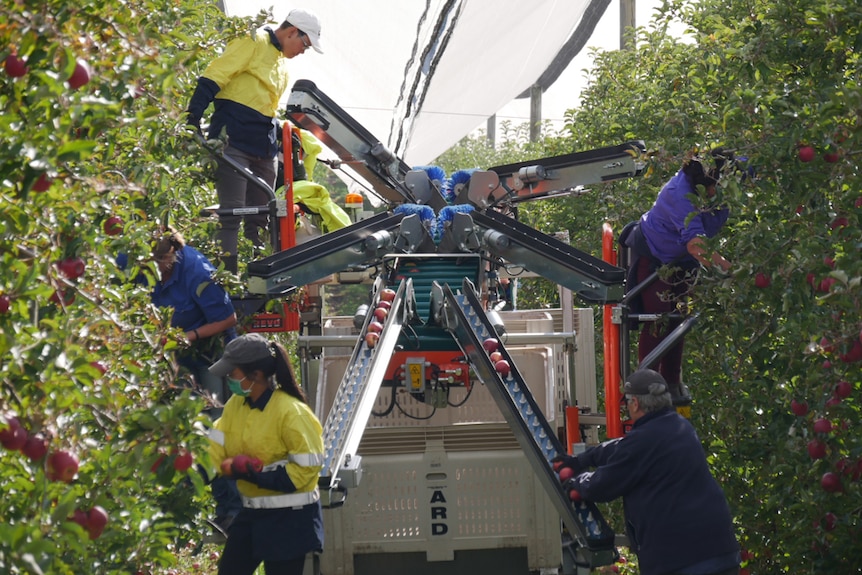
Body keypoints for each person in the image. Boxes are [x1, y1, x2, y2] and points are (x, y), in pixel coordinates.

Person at [554, 369, 740, 575]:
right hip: (720, 552)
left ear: (635, 404)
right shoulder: (681, 427)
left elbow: (601, 486)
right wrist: (583, 459)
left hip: (683, 562)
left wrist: (575, 480)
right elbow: (621, 447)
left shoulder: (642, 442)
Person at [185, 8, 324, 273]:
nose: (303, 51)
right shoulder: (252, 40)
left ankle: (260, 276)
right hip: (233, 140)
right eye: (305, 44)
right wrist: (192, 118)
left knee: (262, 215)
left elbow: (265, 104)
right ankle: (229, 280)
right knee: (232, 213)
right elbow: (214, 76)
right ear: (292, 31)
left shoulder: (281, 62)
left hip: (264, 145)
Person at [207, 333, 325, 575]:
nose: (229, 378)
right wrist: (196, 469)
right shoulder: (236, 407)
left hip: (291, 522)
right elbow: (218, 442)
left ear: (256, 375)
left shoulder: (292, 413)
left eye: (233, 372)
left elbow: (305, 470)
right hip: (253, 515)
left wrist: (253, 475)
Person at [621, 148, 734, 399]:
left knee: (679, 319)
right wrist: (731, 271)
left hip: (684, 261)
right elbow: (696, 245)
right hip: (655, 257)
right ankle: (646, 388)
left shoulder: (728, 174)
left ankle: (671, 383)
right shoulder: (680, 194)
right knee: (658, 320)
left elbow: (758, 165)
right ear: (703, 185)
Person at [150, 228, 238, 414]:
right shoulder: (144, 267)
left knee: (214, 410)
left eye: (157, 261)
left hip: (208, 351)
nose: (152, 266)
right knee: (182, 410)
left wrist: (189, 336)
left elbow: (228, 319)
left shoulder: (198, 273)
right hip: (174, 354)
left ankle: (217, 440)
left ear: (170, 255)